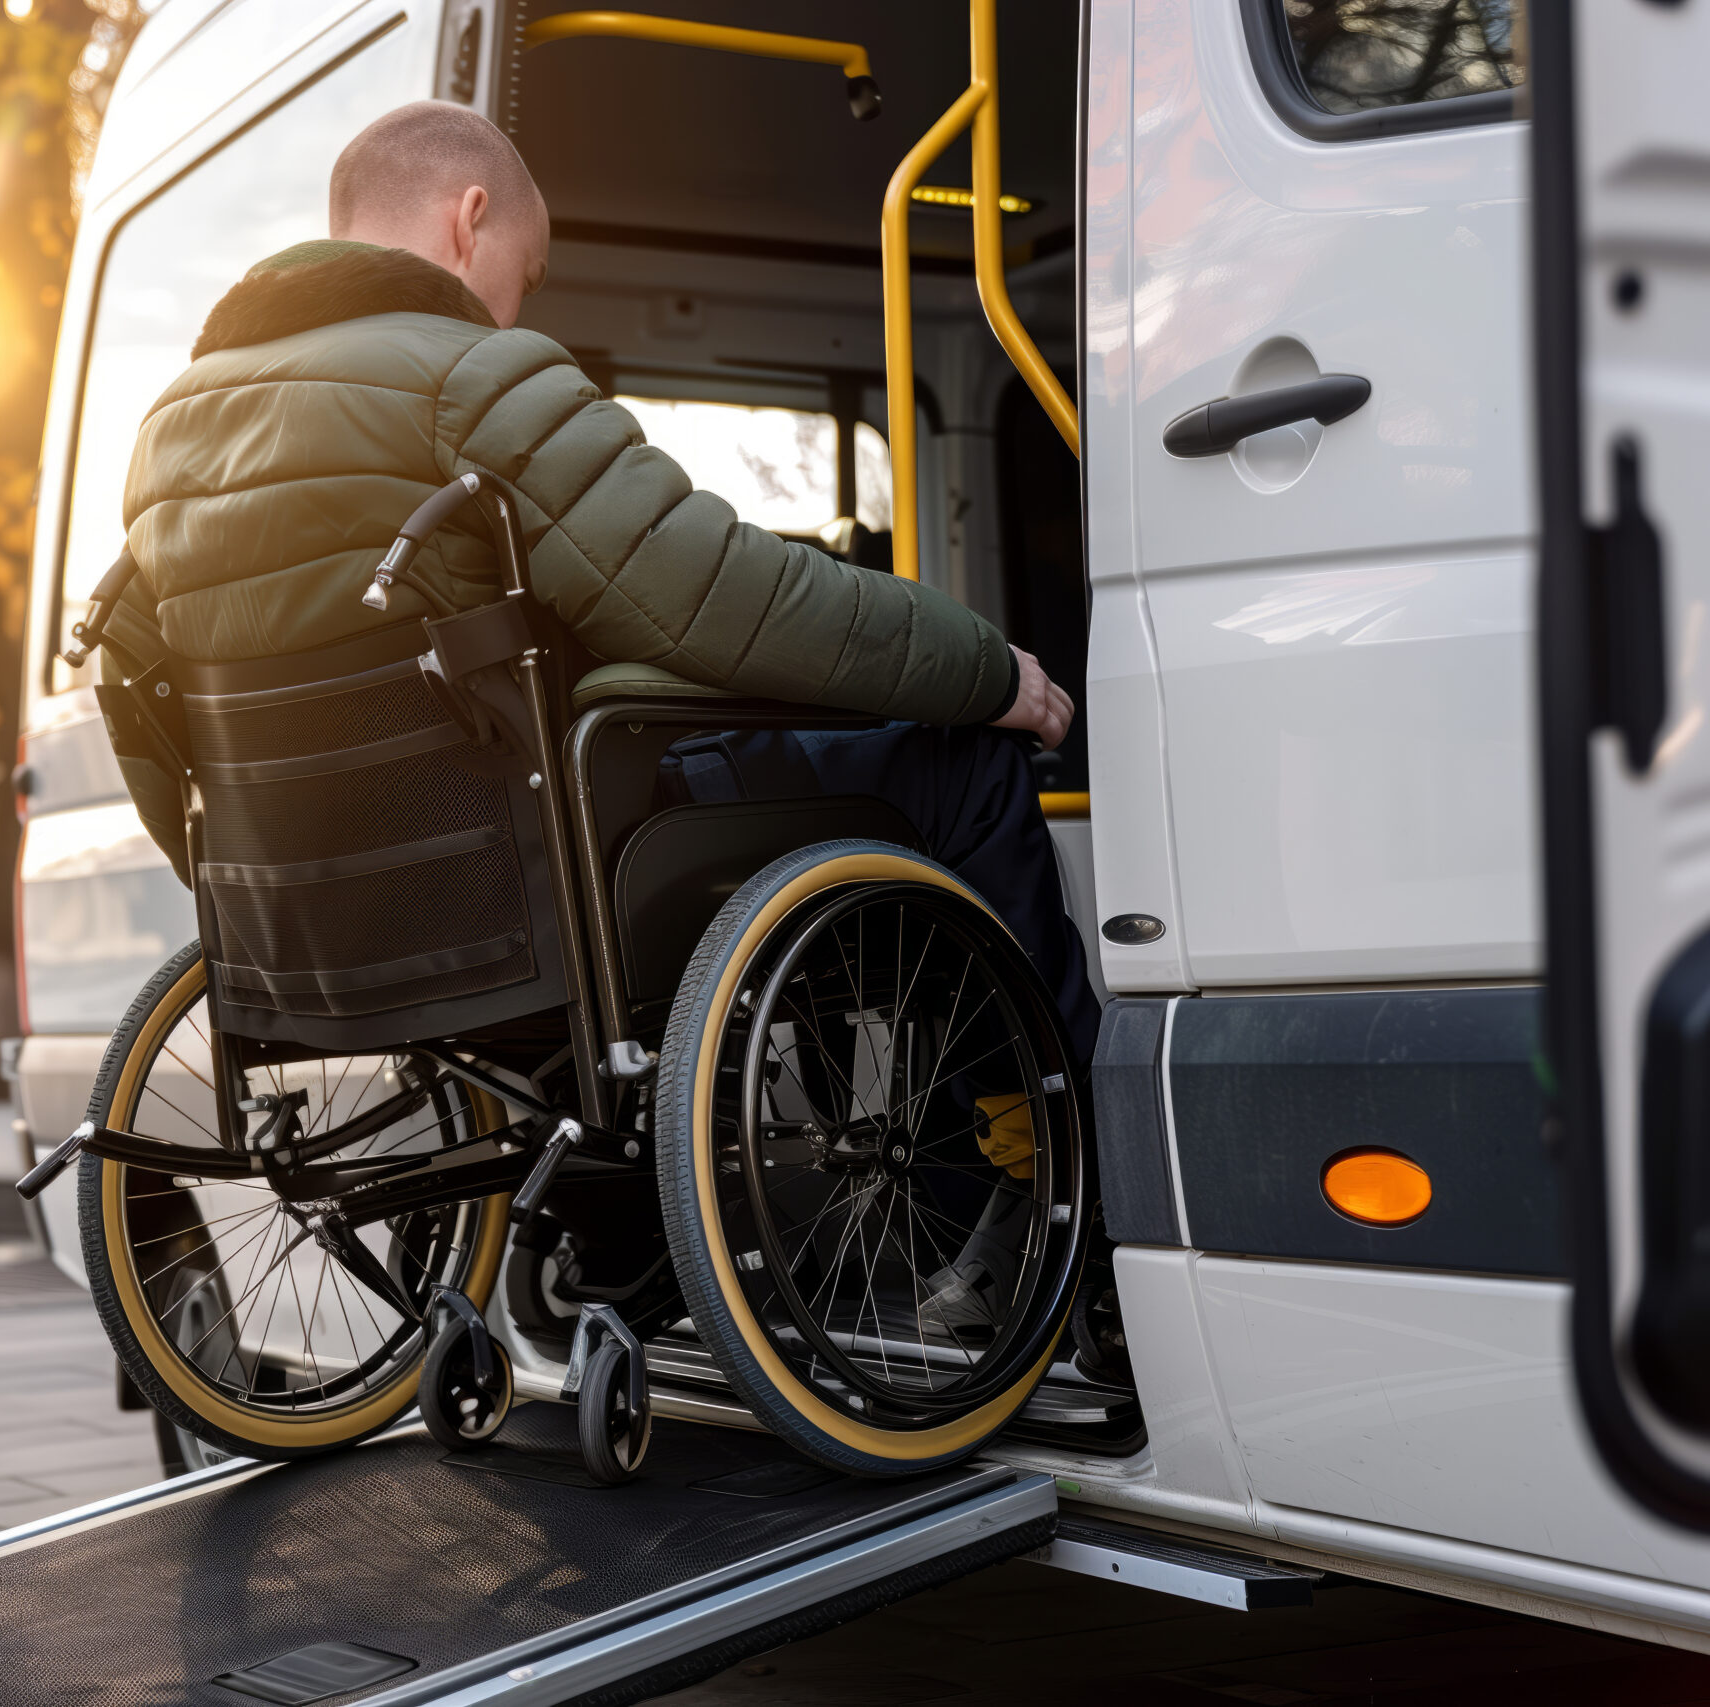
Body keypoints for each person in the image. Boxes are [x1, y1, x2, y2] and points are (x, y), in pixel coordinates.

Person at [102, 100, 1096, 1074]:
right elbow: (711, 594)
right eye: (524, 277)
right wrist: (978, 666)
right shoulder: (472, 376)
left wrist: (281, 891)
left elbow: (143, 697)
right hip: (542, 873)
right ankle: (1033, 1154)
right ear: (469, 217)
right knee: (963, 762)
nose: (517, 308)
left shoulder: (168, 435)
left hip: (343, 918)